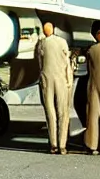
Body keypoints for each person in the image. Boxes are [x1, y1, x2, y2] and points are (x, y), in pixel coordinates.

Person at [35, 22, 73, 155]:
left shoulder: (41, 44)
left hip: (46, 80)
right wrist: (69, 80)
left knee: (50, 113)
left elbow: (40, 63)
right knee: (63, 112)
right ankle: (62, 145)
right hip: (61, 80)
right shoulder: (62, 42)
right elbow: (67, 62)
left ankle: (53, 145)